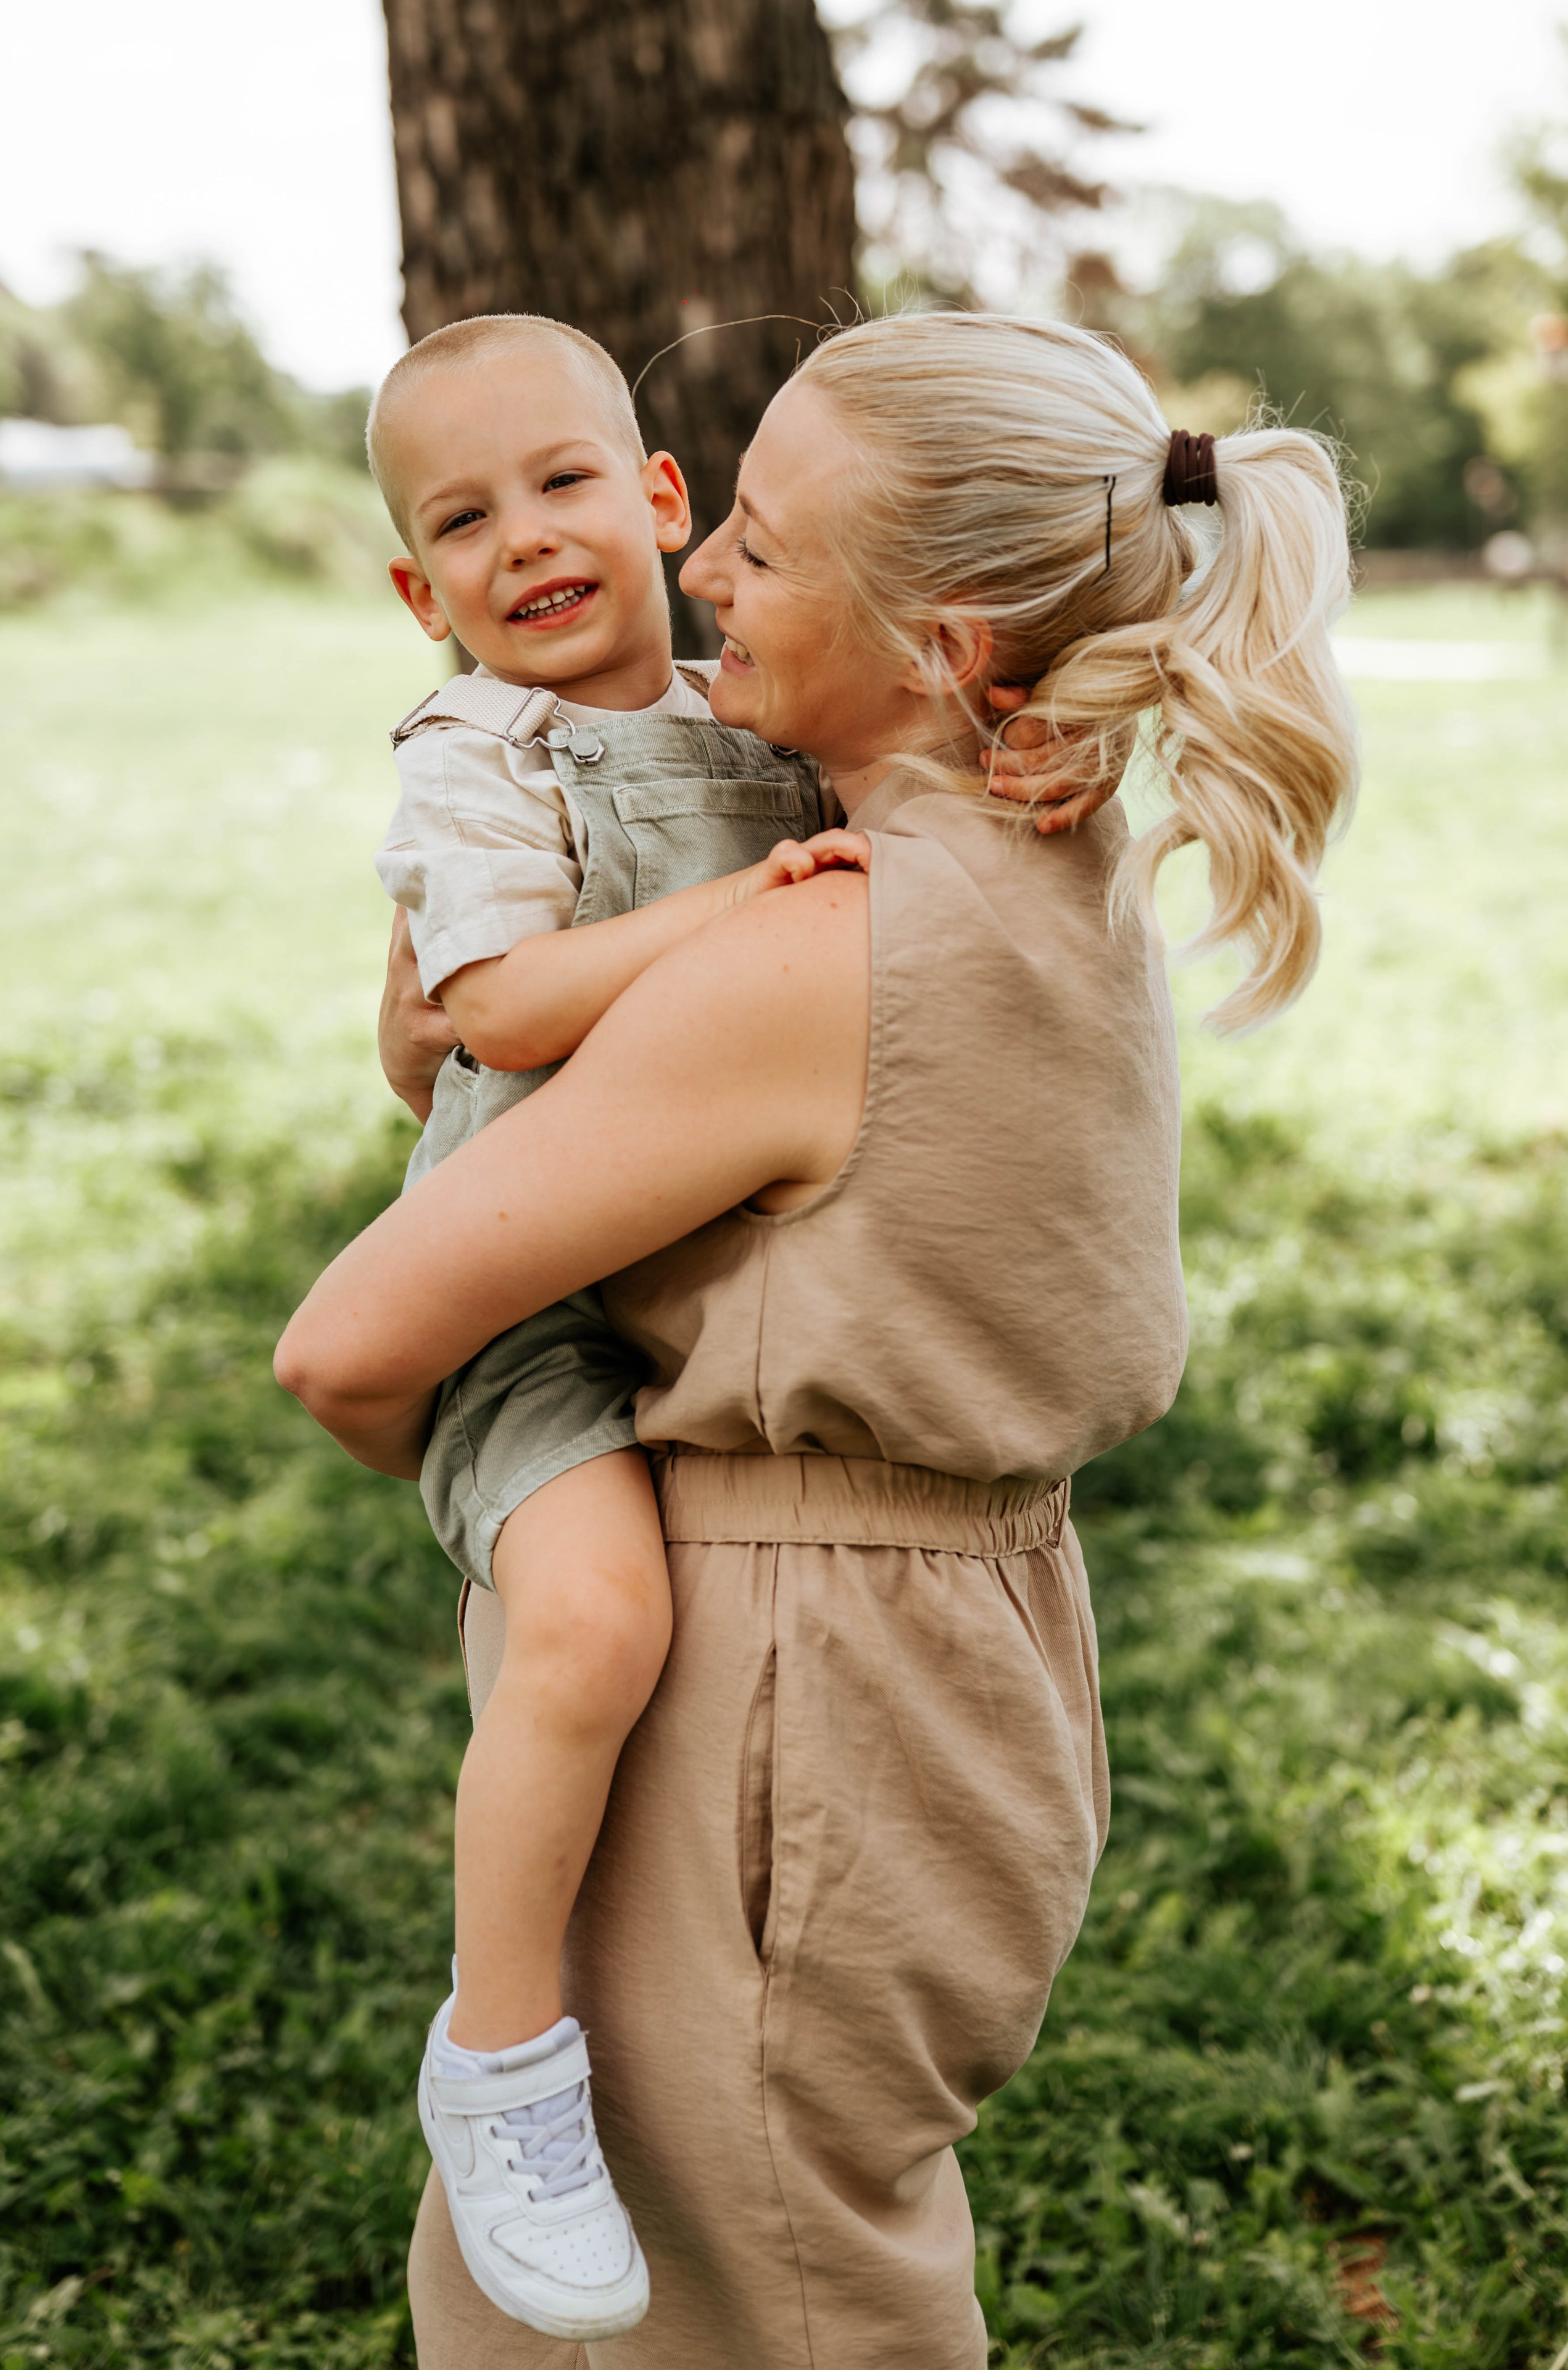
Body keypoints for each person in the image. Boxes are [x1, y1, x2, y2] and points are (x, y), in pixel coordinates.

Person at [276, 309, 1357, 2368]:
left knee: (741, 2286)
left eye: (760, 547)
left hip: (774, 1703)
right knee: (773, 2251)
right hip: (972, 1641)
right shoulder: (1056, 848)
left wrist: (520, 1488)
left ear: (948, 645)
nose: (700, 573)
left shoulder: (815, 939)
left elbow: (346, 1349)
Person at [354, 310, 1079, 2340]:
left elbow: (933, 753)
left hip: (668, 1296)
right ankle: (504, 2062)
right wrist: (741, 911)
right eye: (462, 523)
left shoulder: (748, 718)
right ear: (419, 595)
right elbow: (490, 1008)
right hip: (524, 1308)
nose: (525, 538)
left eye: (563, 482)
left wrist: (1037, 749)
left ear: (662, 502)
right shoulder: (474, 756)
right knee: (593, 1626)